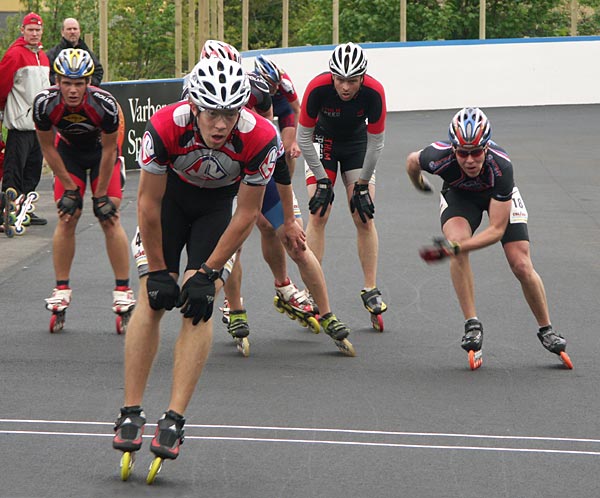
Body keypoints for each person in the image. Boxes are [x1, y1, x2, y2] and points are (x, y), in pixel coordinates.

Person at [112, 57, 281, 479]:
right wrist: (158, 271)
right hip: (168, 206)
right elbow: (148, 204)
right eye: (211, 113)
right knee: (153, 301)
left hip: (216, 212)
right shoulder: (165, 125)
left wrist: (208, 272)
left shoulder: (262, 137)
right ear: (194, 105)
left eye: (229, 114)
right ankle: (130, 411)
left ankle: (174, 418)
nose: (220, 125)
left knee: (198, 304)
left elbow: (246, 215)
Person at [406, 107, 572, 370]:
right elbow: (412, 161)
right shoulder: (438, 156)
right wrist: (419, 183)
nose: (470, 160)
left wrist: (453, 248)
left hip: (498, 196)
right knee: (458, 250)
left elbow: (496, 230)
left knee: (520, 263)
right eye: (462, 153)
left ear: (486, 148)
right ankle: (472, 324)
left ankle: (546, 328)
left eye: (476, 152)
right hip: (460, 197)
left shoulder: (502, 165)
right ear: (453, 149)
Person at [32, 49, 135, 332]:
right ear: (57, 80)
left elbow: (110, 149)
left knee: (109, 216)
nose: (73, 90)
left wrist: (100, 194)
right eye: (67, 82)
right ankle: (61, 288)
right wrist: (68, 187)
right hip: (69, 155)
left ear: (89, 82)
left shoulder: (105, 104)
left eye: (79, 83)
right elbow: (47, 147)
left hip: (102, 153)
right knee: (67, 216)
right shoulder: (44, 103)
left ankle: (123, 289)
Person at [297, 42, 388, 330]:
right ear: (331, 75)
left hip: (357, 144)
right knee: (319, 212)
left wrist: (361, 184)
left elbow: (376, 143)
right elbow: (302, 138)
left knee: (363, 214)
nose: (345, 87)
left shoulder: (375, 92)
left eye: (351, 80)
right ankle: (310, 291)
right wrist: (322, 179)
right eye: (339, 79)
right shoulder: (317, 88)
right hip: (321, 142)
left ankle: (370, 287)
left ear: (362, 78)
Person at [0, 12, 50, 227]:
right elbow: (2, 85)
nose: (34, 34)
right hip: (20, 125)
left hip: (38, 126)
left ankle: (24, 209)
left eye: (37, 30)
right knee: (14, 171)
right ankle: (7, 210)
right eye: (30, 30)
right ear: (23, 30)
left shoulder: (43, 56)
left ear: (42, 32)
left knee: (33, 170)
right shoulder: (15, 55)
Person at [254, 54, 301, 177]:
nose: (275, 88)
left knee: (288, 150)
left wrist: (295, 142)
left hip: (283, 109)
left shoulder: (285, 83)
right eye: (271, 85)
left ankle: (288, 186)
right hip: (262, 110)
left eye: (277, 84)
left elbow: (297, 109)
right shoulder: (252, 83)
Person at [46, 18, 104, 87]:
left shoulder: (87, 53)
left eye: (75, 29)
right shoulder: (52, 54)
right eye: (69, 29)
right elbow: (47, 75)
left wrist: (86, 84)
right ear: (62, 32)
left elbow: (98, 72)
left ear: (79, 31)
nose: (72, 32)